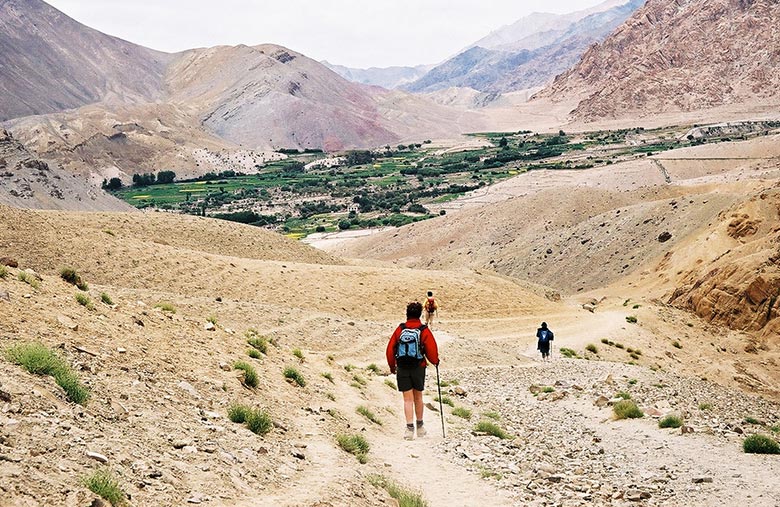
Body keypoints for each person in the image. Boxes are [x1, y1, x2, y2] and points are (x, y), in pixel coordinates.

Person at [386, 301, 439, 440]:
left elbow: (390, 349)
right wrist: (435, 361)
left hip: (403, 367)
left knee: (407, 399)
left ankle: (409, 429)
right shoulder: (423, 330)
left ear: (407, 314)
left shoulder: (400, 329)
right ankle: (420, 427)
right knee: (418, 397)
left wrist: (392, 366)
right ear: (420, 314)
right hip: (418, 367)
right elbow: (431, 349)